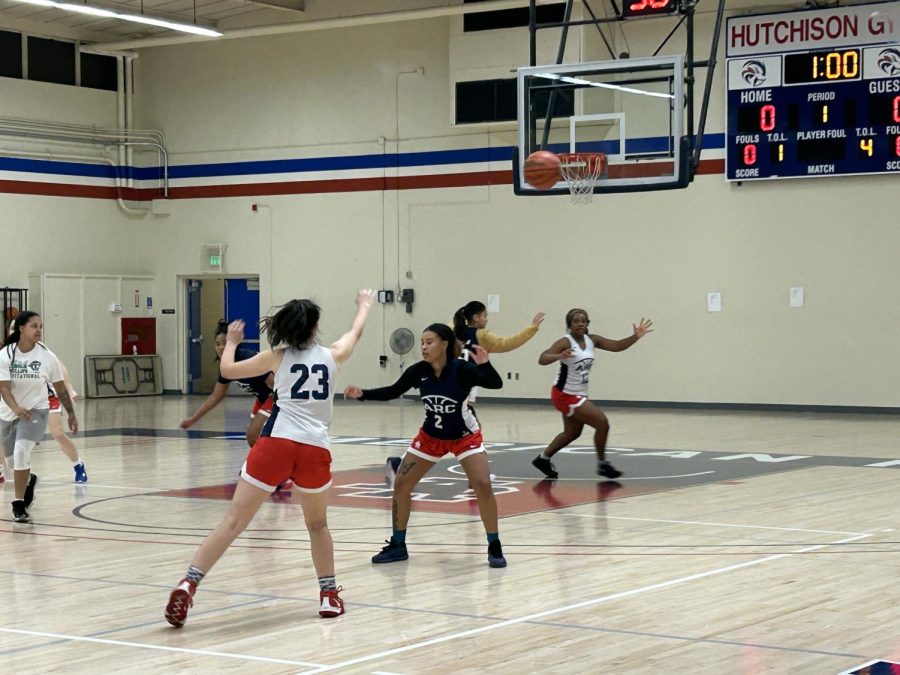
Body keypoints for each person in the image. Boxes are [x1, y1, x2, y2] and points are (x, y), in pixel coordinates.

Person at [165, 289, 375, 628]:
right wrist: (364, 305)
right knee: (317, 525)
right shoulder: (333, 355)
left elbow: (228, 369)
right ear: (314, 327)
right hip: (314, 448)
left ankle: (189, 583)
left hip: (275, 443)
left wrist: (232, 340)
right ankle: (328, 596)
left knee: (233, 521)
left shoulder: (276, 357)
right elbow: (356, 331)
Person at [343, 323, 508, 568]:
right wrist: (363, 394)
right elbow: (393, 390)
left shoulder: (461, 369)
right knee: (401, 482)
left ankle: (494, 546)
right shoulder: (418, 370)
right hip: (431, 436)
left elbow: (496, 384)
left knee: (483, 485)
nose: (423, 346)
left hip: (464, 436)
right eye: (422, 342)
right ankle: (398, 545)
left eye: (429, 342)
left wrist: (485, 363)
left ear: (444, 344)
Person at [383, 301, 544, 484]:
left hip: (444, 385)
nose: (486, 319)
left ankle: (473, 474)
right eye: (484, 316)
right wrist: (532, 328)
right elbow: (506, 344)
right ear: (475, 317)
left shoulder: (450, 330)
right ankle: (475, 476)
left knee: (458, 431)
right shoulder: (481, 335)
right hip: (459, 388)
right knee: (467, 433)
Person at [532, 309, 652, 480]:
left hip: (578, 394)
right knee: (602, 423)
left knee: (572, 433)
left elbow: (618, 346)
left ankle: (542, 459)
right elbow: (542, 358)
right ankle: (603, 464)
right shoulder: (565, 342)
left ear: (588, 323)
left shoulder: (592, 340)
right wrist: (559, 355)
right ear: (569, 325)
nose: (580, 323)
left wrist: (636, 336)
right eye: (576, 321)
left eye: (583, 320)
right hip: (564, 394)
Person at [0, 311, 78, 522]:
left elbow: (60, 388)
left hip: (37, 411)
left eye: (40, 326)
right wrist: (15, 408)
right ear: (21, 329)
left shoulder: (47, 356)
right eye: (34, 326)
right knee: (11, 461)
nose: (38, 330)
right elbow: (5, 389)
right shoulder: (6, 354)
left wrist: (70, 413)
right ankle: (29, 479)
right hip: (9, 412)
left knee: (20, 451)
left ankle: (18, 504)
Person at [180, 319, 275, 448]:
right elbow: (216, 396)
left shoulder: (247, 358)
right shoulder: (225, 366)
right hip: (262, 399)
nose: (220, 347)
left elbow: (276, 383)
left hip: (274, 397)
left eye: (224, 343)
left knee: (254, 435)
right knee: (254, 439)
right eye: (217, 344)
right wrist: (193, 419)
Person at [47, 362, 88, 483]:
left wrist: (69, 389)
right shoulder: (8, 352)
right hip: (23, 398)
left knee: (58, 433)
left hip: (48, 396)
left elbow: (60, 367)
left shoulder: (41, 350)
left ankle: (78, 465)